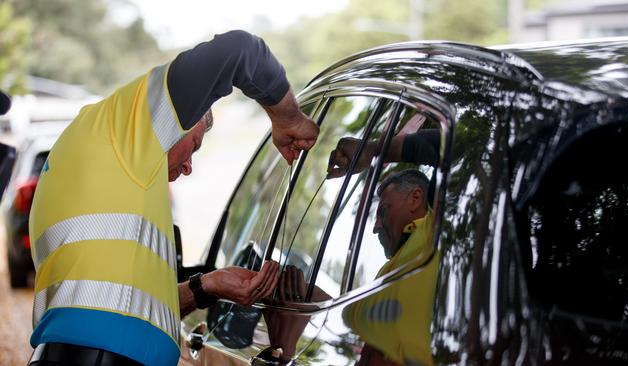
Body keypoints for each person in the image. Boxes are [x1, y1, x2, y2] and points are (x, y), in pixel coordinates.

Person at [28, 30, 319, 366]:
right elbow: (240, 51)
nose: (189, 166)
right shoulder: (123, 127)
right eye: (193, 145)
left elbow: (130, 309)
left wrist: (206, 286)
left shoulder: (104, 170)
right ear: (172, 118)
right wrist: (289, 118)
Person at [343, 169, 441, 366]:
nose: (375, 227)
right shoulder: (391, 267)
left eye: (383, 211)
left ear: (415, 198)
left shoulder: (436, 231)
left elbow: (445, 148)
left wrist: (378, 149)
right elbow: (360, 319)